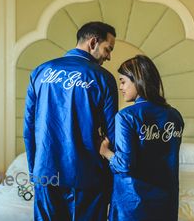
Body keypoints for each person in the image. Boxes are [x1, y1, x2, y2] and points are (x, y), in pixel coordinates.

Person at [23, 21, 118, 220]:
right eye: (108, 49)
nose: (109, 56)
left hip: (45, 172)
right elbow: (113, 133)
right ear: (93, 42)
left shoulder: (39, 72)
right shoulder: (103, 78)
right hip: (88, 175)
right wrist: (112, 181)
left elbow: (29, 128)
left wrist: (35, 172)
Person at [99, 55, 184, 221]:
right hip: (166, 201)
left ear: (138, 80)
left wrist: (105, 151)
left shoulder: (126, 116)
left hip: (133, 202)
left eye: (123, 81)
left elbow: (125, 165)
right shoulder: (175, 116)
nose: (121, 87)